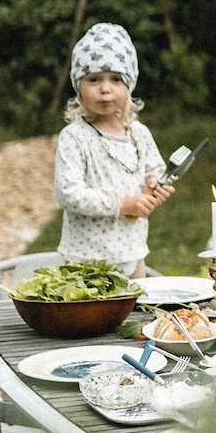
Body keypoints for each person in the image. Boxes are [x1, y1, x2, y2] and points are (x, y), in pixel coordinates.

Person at [55, 22, 173, 280]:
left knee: (137, 314)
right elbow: (69, 194)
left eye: (116, 79)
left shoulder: (139, 133)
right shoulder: (75, 138)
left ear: (129, 86)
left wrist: (155, 185)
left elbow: (156, 170)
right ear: (78, 87)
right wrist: (122, 204)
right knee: (91, 320)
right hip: (85, 259)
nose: (105, 89)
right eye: (93, 79)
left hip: (132, 252)